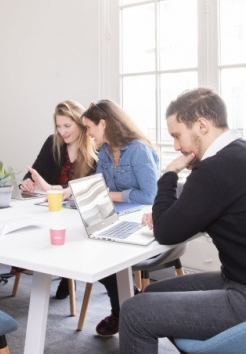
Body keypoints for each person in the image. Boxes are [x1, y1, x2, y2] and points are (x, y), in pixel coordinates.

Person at [119, 88, 246, 353]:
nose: (177, 147)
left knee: (135, 312)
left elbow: (166, 232)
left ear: (201, 126)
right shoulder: (242, 152)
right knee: (152, 295)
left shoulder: (216, 169)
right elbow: (194, 205)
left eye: (177, 135)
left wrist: (170, 172)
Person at [79, 99, 162, 336]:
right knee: (92, 252)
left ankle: (120, 311)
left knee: (104, 257)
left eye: (89, 127)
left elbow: (149, 195)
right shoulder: (104, 152)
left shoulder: (138, 149)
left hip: (144, 225)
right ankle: (131, 301)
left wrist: (110, 194)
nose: (88, 133)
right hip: (116, 220)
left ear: (103, 124)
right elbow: (98, 186)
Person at [20, 100, 97, 299]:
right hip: (53, 208)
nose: (62, 131)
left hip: (79, 210)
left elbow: (91, 187)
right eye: (58, 126)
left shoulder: (94, 147)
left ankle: (67, 275)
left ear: (80, 124)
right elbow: (36, 171)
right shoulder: (52, 143)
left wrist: (51, 188)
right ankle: (53, 270)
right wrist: (28, 182)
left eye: (67, 126)